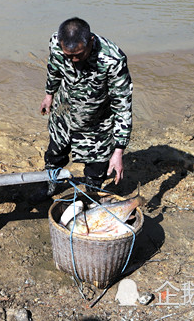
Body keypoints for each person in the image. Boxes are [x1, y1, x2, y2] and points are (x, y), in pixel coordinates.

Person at [32, 17, 133, 202]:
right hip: (65, 113)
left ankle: (90, 196)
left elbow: (123, 106)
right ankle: (51, 184)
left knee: (96, 170)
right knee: (55, 154)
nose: (74, 60)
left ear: (91, 42)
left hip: (97, 122)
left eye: (79, 54)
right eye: (69, 56)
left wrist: (119, 150)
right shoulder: (56, 43)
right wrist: (49, 95)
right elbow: (54, 68)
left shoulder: (113, 60)